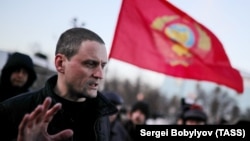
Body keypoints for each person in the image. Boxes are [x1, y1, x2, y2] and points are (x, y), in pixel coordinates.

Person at [0, 27, 118, 141]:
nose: (100, 75)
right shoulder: (11, 111)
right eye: (91, 64)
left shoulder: (102, 115)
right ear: (60, 63)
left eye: (103, 66)